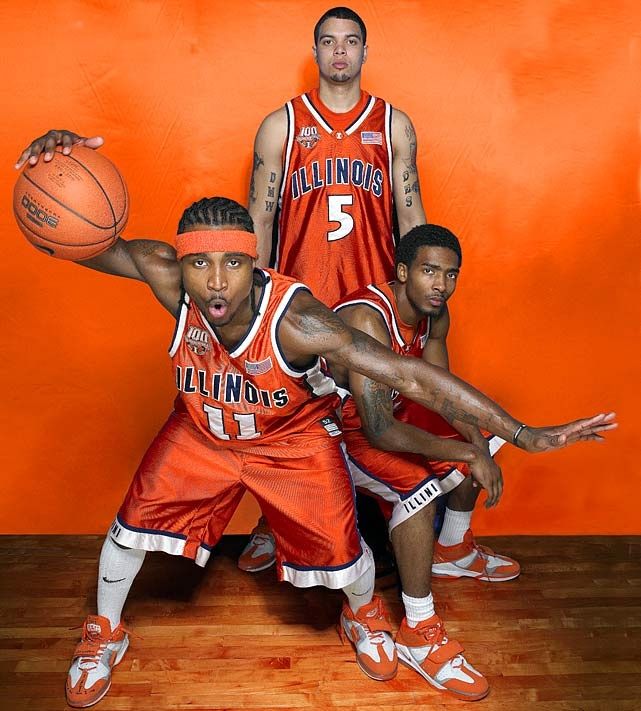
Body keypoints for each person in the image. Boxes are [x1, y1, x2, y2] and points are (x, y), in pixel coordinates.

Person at [12, 186, 614, 705]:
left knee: (345, 555)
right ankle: (105, 631)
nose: (216, 281)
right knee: (128, 529)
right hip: (202, 432)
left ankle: (364, 614)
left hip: (291, 440)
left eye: (232, 263)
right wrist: (47, 172)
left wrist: (521, 432)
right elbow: (69, 238)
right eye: (200, 264)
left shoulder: (298, 320)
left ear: (254, 263)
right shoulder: (164, 275)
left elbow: (411, 376)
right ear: (180, 263)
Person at [243, 5, 428, 569]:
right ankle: (272, 523)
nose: (340, 51)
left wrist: (420, 293)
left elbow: (411, 214)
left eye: (350, 41)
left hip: (371, 299)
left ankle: (380, 523)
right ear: (316, 51)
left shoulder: (393, 125)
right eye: (329, 41)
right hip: (301, 297)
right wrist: (253, 302)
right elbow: (260, 219)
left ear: (365, 51)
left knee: (372, 419)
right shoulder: (282, 125)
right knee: (285, 416)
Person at [330, 223, 516, 698]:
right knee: (417, 489)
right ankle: (418, 630)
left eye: (451, 274)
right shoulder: (368, 318)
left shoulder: (435, 314)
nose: (441, 285)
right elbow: (377, 430)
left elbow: (441, 393)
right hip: (329, 432)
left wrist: (476, 444)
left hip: (383, 416)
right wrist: (466, 451)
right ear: (402, 271)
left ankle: (452, 550)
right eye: (430, 271)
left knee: (481, 436)